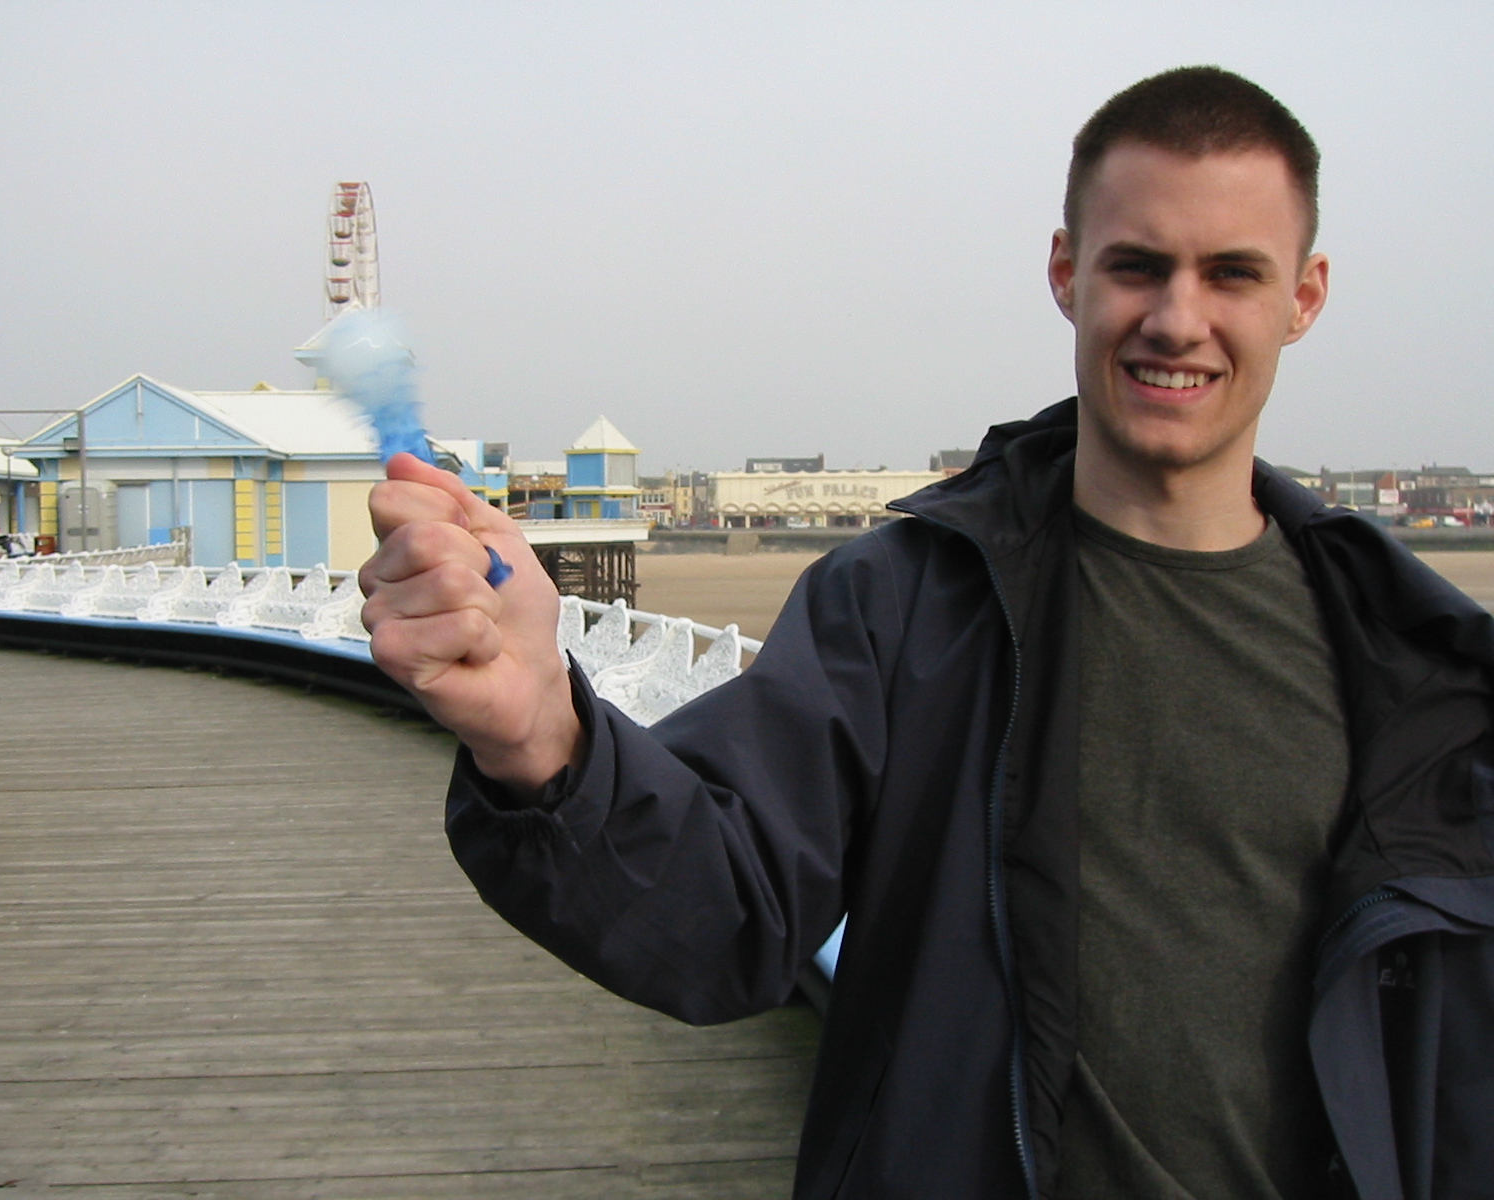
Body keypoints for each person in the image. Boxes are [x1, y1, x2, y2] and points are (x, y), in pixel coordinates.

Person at [359, 67, 1494, 1199]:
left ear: (1304, 295)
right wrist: (541, 737)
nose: (1177, 319)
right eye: (1137, 265)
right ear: (1066, 272)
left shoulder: (1415, 668)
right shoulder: (905, 606)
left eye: (1232, 273)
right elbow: (726, 916)